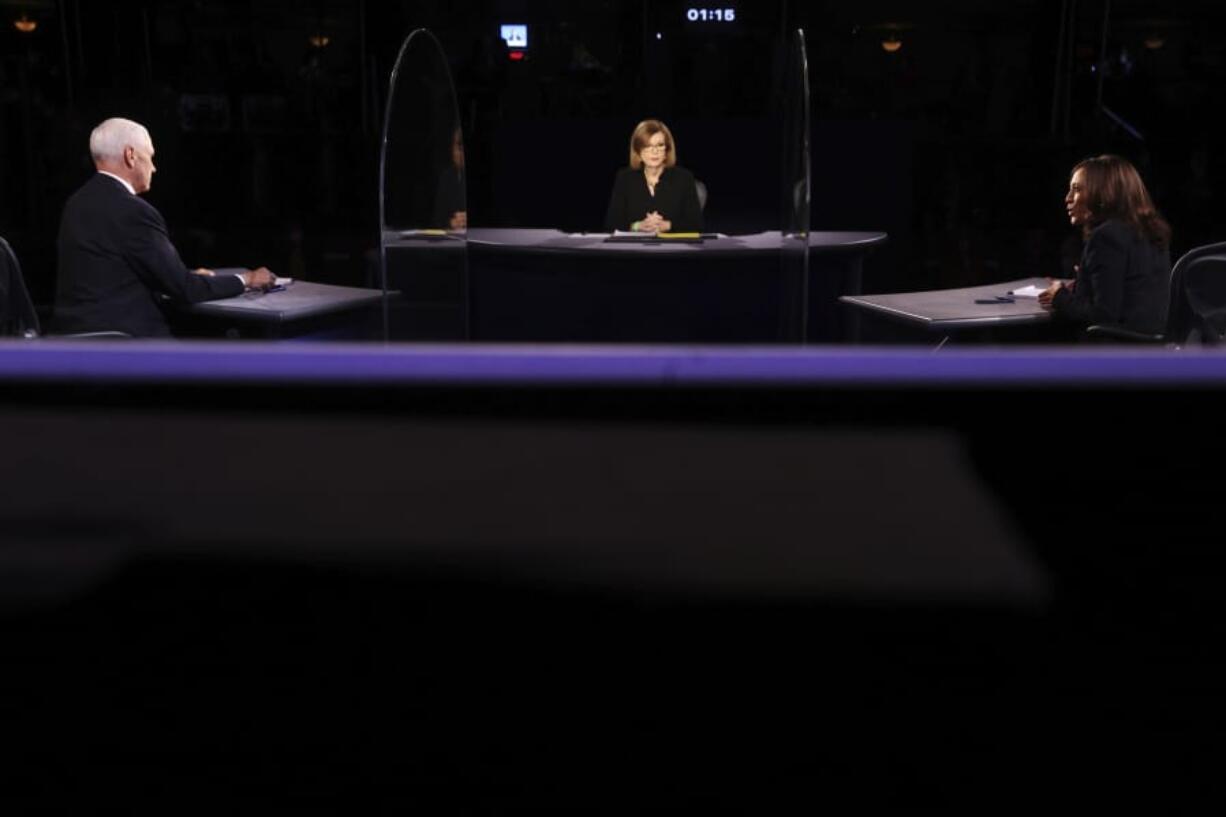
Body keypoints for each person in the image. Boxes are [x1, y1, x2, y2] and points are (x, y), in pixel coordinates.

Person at [54, 117, 276, 337]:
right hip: (128, 344)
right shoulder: (134, 212)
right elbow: (185, 289)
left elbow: (112, 274)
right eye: (150, 157)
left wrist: (176, 274)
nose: (154, 167)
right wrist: (247, 280)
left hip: (75, 342)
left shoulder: (75, 204)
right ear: (130, 156)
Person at [1038, 154, 1171, 335]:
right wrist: (1083, 284)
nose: (1068, 198)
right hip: (1153, 349)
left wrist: (1059, 296)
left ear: (1103, 194)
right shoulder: (1150, 230)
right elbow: (1134, 293)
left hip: (1117, 352)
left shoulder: (1106, 237)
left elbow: (1103, 315)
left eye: (1076, 190)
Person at [603, 119, 703, 234]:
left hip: (672, 248)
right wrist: (637, 226)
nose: (654, 151)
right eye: (647, 146)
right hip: (635, 248)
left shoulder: (684, 178)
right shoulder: (625, 178)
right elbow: (611, 224)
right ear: (638, 151)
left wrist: (668, 225)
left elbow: (697, 225)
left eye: (660, 145)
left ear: (667, 150)